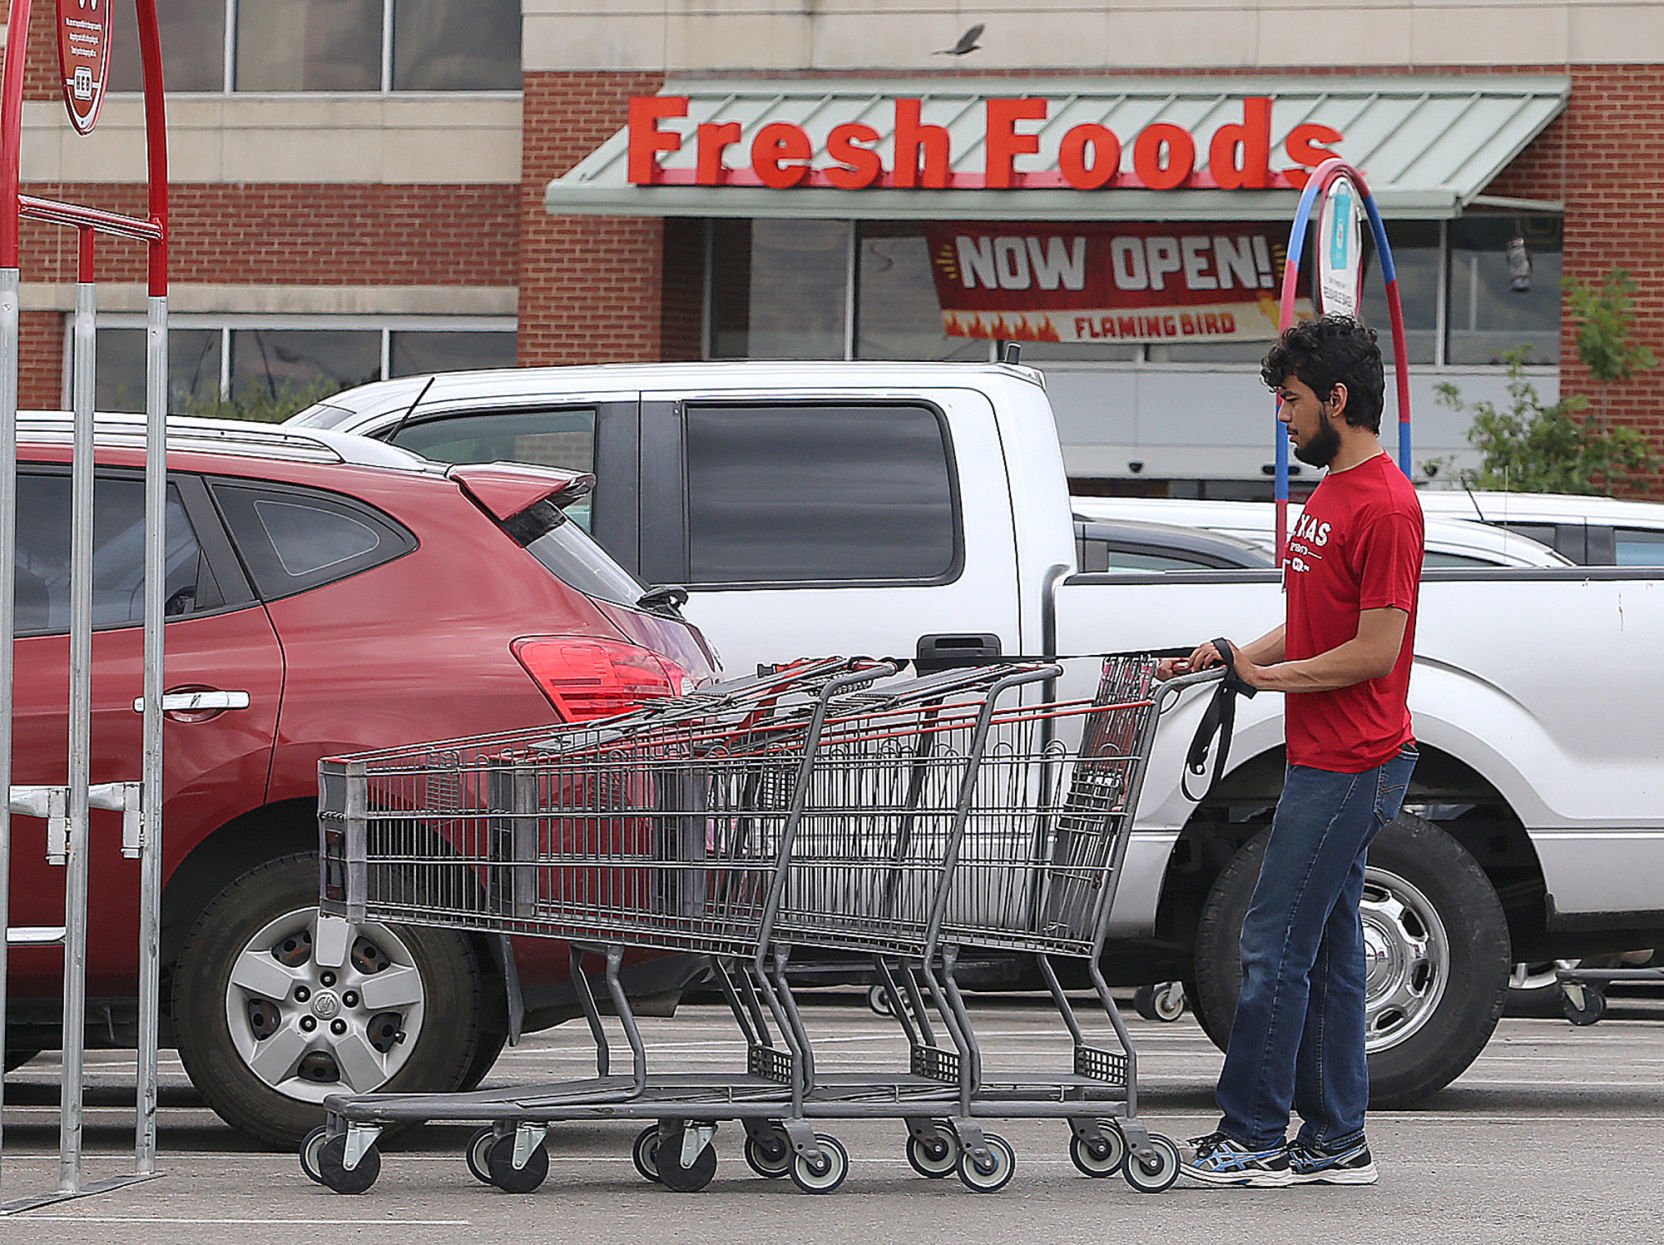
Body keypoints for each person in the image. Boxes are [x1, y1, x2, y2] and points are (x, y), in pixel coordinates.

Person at [1160, 314, 1423, 1188]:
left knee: (1271, 946)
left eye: (1292, 398)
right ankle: (1337, 1140)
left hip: (1352, 763)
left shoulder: (1385, 505)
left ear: (1336, 400)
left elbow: (1378, 648)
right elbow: (1319, 623)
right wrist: (1240, 654)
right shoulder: (1330, 498)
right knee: (1334, 951)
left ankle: (1253, 1133)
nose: (1283, 414)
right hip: (1328, 756)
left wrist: (1264, 682)